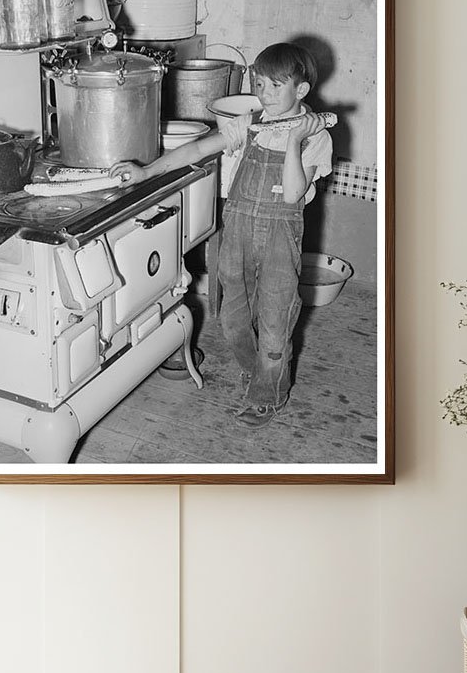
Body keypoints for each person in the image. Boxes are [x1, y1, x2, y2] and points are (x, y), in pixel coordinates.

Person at [111, 42, 333, 428]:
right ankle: (258, 370)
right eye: (259, 84)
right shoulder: (250, 124)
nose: (264, 94)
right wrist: (146, 172)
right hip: (239, 232)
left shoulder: (317, 137)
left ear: (300, 91)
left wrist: (296, 141)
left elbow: (295, 192)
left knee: (275, 321)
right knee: (232, 318)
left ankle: (270, 393)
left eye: (274, 87)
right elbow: (197, 148)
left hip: (281, 234)